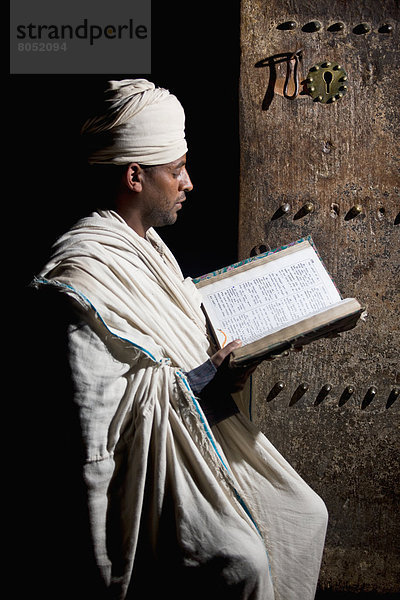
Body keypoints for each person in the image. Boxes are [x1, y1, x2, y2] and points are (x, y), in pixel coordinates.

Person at [31, 79, 328, 599]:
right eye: (177, 170)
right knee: (244, 563)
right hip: (153, 470)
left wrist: (234, 358)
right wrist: (211, 374)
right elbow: (102, 427)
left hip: (197, 430)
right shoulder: (81, 275)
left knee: (305, 512)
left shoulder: (150, 247)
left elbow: (179, 347)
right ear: (135, 176)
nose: (188, 183)